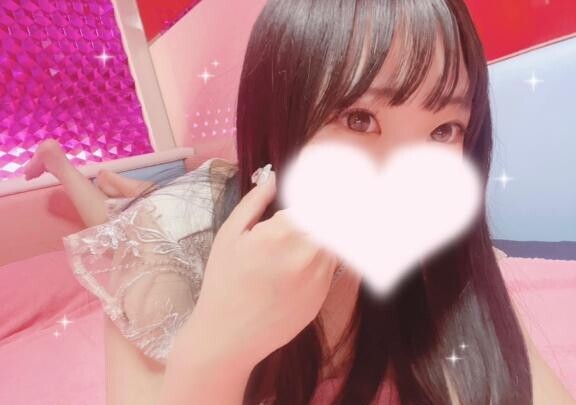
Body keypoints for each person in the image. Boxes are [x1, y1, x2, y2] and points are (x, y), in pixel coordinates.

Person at [25, 0, 575, 404]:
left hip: (228, 182)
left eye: (443, 130)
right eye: (360, 119)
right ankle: (66, 166)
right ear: (277, 121)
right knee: (121, 219)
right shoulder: (166, 248)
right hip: (183, 213)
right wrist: (217, 349)